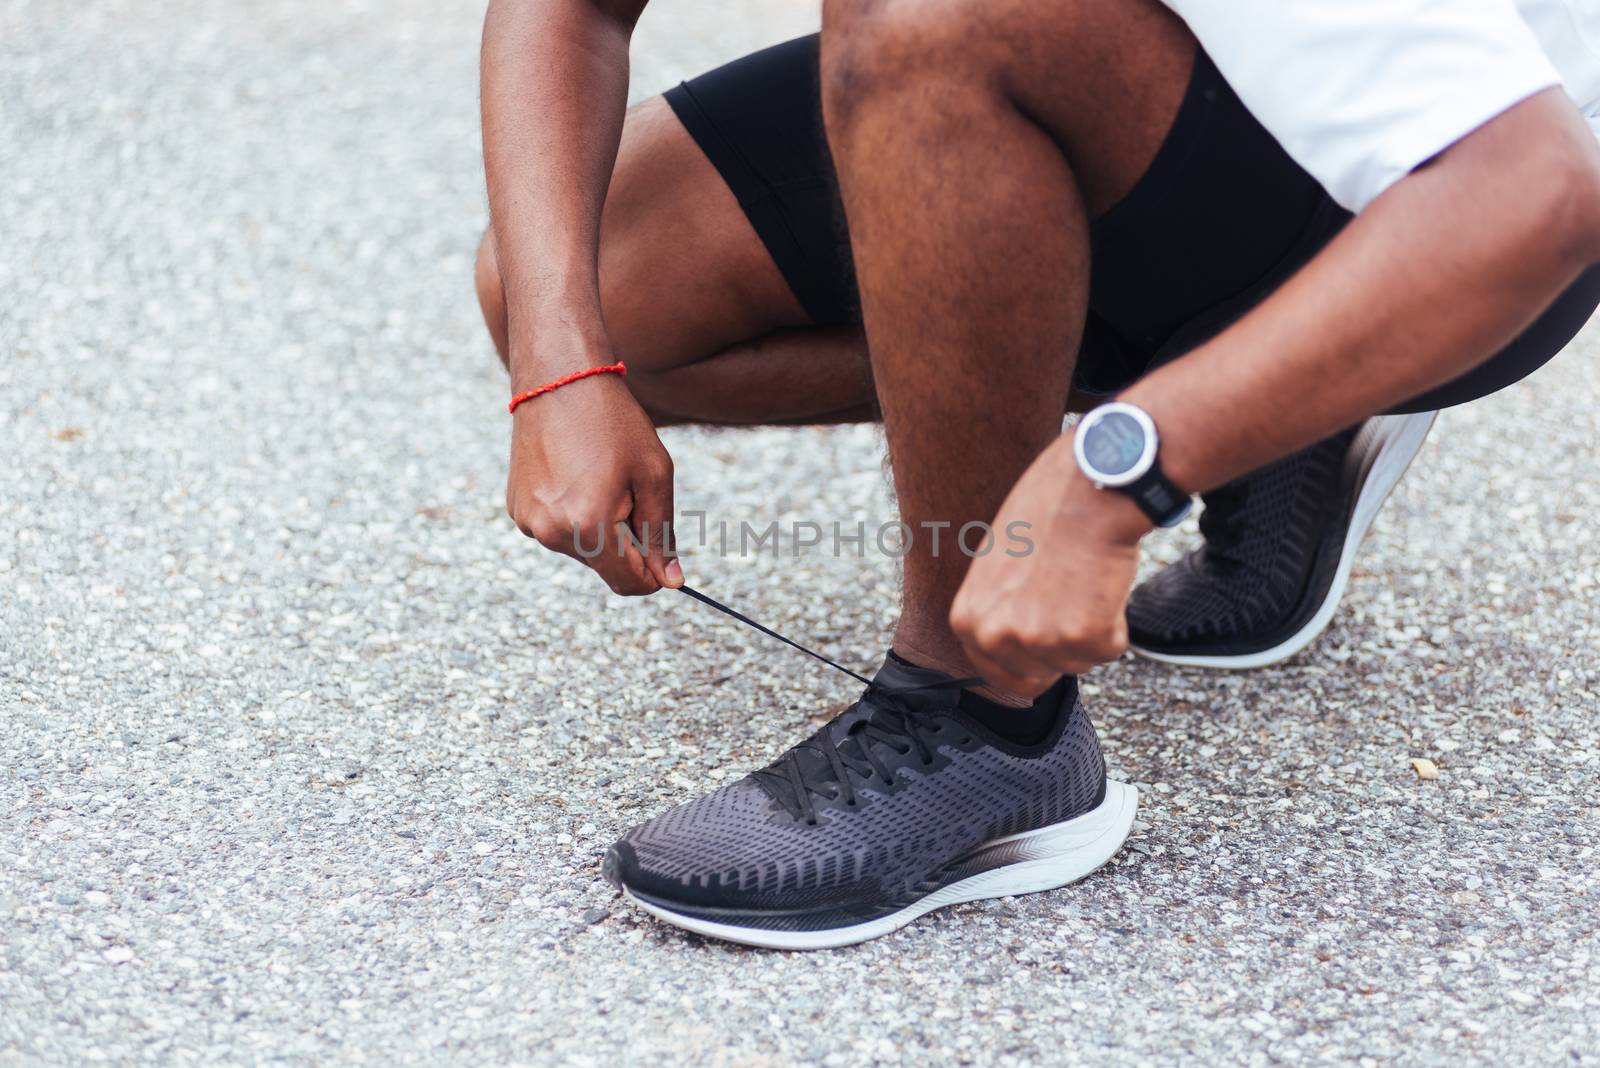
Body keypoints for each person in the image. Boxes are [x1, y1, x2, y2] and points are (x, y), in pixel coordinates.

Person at [476, 0, 1600, 948]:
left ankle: (980, 717)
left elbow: (1534, 194)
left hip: (1448, 223)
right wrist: (559, 368)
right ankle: (1266, 387)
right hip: (1158, 92)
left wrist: (1113, 476)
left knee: (925, 18)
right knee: (604, 280)